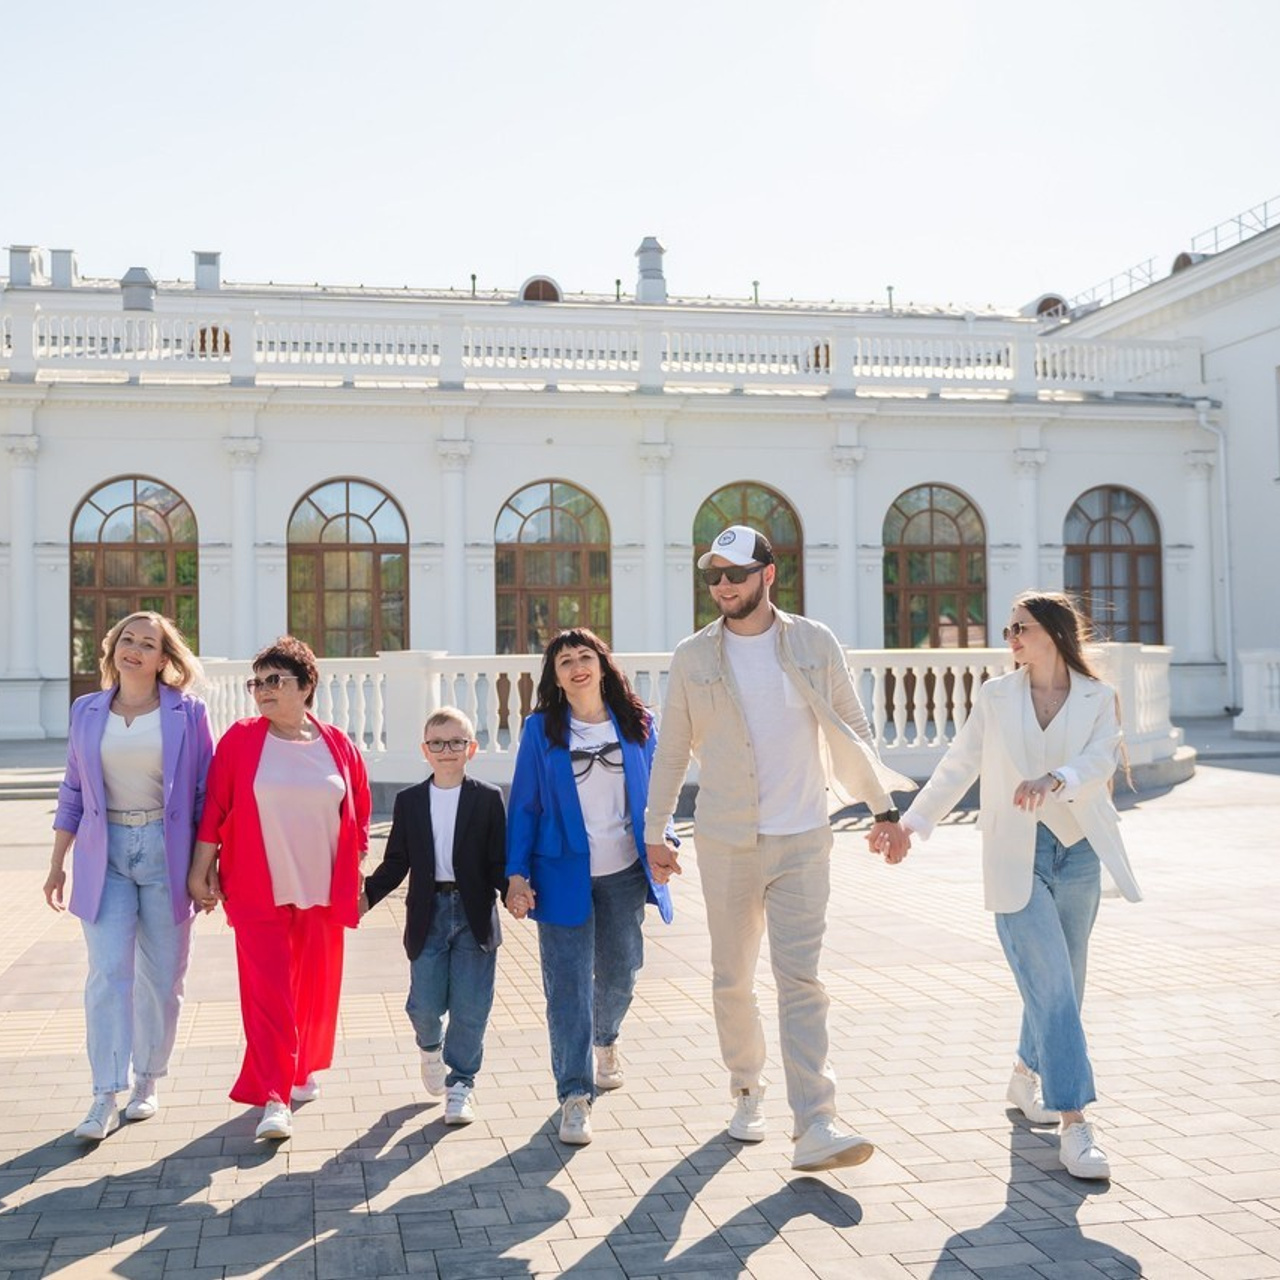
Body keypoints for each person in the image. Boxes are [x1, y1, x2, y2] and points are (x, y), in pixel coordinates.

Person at [643, 525, 913, 1173]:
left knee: (802, 981)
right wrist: (655, 832)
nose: (724, 585)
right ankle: (746, 1088)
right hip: (726, 841)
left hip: (804, 838)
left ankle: (816, 1119)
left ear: (768, 574)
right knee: (732, 979)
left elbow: (855, 729)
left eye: (736, 572)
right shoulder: (692, 657)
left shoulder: (815, 642)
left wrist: (883, 807)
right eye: (714, 574)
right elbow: (673, 748)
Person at [873, 590, 1141, 1180]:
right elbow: (957, 763)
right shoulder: (997, 696)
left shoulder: (1099, 697)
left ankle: (1026, 1076)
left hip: (1080, 853)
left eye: (1019, 627)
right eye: (1009, 627)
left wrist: (1057, 777)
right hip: (1016, 854)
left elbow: (1099, 761)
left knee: (1063, 984)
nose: (1009, 636)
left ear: (1052, 631)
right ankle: (1077, 1123)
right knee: (1051, 984)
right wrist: (910, 825)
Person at [187, 636, 371, 1141]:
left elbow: (358, 813)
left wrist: (354, 873)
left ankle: (301, 1068)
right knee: (267, 992)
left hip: (320, 887)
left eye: (275, 681)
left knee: (314, 987)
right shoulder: (241, 739)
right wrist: (199, 872)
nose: (263, 691)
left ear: (306, 686)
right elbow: (215, 812)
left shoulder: (338, 745)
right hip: (255, 886)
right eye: (258, 682)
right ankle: (273, 1095)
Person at [46, 611, 213, 1141]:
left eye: (148, 643)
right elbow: (73, 788)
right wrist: (56, 862)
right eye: (127, 639)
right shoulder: (86, 710)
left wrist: (205, 869)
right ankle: (103, 1093)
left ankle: (146, 1081)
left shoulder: (188, 713)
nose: (134, 649)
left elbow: (208, 797)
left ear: (165, 659)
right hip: (105, 852)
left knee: (162, 980)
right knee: (107, 977)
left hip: (168, 855)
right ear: (113, 646)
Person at [506, 627, 674, 1146]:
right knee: (568, 989)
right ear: (554, 677)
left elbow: (659, 795)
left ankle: (606, 1038)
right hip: (560, 875)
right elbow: (526, 804)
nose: (577, 666)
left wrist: (665, 841)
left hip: (625, 871)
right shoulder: (541, 730)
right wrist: (515, 874)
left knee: (622, 971)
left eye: (585, 656)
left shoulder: (639, 722)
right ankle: (574, 1095)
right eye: (564, 662)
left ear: (603, 665)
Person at [361, 707, 507, 1127]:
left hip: (475, 915)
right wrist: (366, 897)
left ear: (471, 749)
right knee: (425, 1005)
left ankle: (461, 1084)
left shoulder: (488, 798)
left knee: (471, 1006)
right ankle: (430, 1047)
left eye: (456, 742)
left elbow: (498, 861)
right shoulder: (409, 802)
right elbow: (396, 863)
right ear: (426, 750)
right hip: (428, 913)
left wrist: (515, 890)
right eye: (438, 743)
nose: (448, 751)